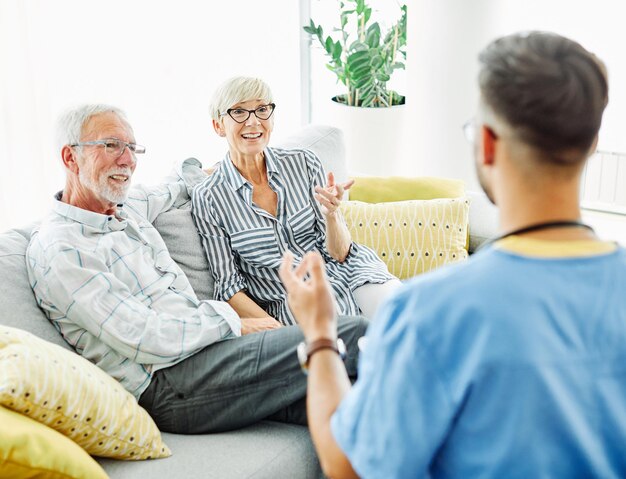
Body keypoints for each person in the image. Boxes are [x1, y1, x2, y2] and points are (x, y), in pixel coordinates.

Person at [279, 31, 626, 478]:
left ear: (486, 143)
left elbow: (347, 465)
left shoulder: (429, 312)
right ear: (593, 141)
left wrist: (321, 336)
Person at [26, 104, 368, 434]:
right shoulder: (63, 250)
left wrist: (224, 173)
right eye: (111, 145)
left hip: (208, 355)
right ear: (70, 157)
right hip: (172, 382)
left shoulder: (124, 207)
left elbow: (178, 184)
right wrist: (236, 323)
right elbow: (146, 336)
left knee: (351, 400)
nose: (128, 160)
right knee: (352, 335)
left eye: (132, 148)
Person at [191, 76, 400, 326]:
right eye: (238, 112)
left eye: (262, 109)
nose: (253, 121)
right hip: (294, 299)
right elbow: (229, 288)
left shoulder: (304, 162)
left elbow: (341, 253)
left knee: (407, 320)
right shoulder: (209, 197)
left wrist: (332, 215)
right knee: (345, 343)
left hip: (354, 274)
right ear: (219, 126)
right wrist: (275, 331)